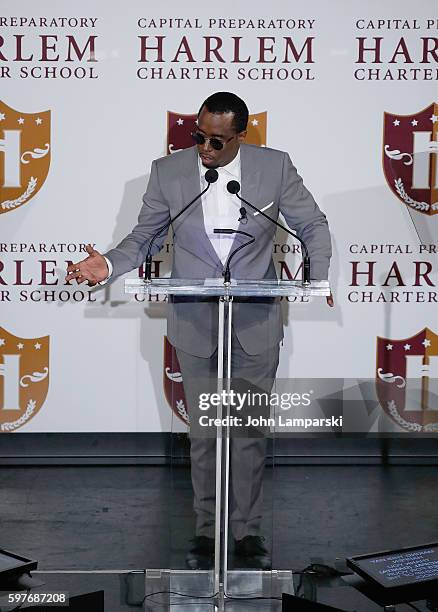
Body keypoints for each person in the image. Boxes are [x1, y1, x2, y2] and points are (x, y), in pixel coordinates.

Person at [66, 91, 333, 570]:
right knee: (206, 431)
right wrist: (105, 263)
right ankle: (207, 529)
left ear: (239, 136)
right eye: (198, 137)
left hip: (254, 319)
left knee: (248, 429)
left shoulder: (274, 168)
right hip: (194, 320)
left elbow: (311, 223)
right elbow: (143, 235)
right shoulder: (168, 173)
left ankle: (248, 533)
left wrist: (319, 274)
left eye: (216, 141)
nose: (204, 149)